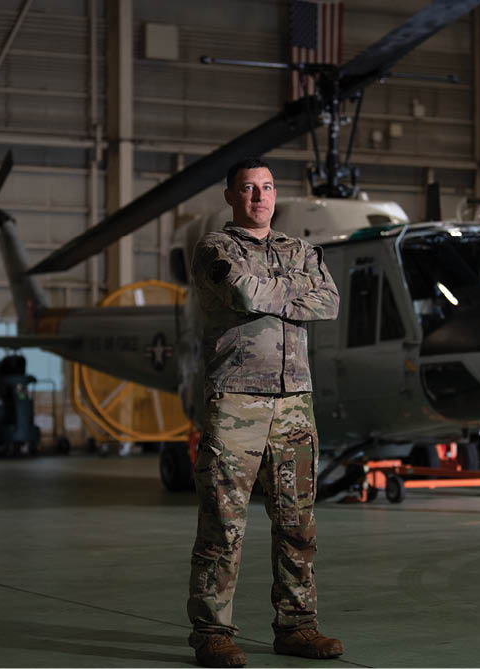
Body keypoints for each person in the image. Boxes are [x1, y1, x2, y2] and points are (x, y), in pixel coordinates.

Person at [186, 157, 342, 667]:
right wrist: (295, 291)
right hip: (235, 402)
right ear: (230, 196)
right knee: (224, 523)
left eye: (268, 187)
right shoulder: (215, 249)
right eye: (249, 188)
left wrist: (273, 294)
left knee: (298, 522)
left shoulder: (301, 248)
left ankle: (297, 626)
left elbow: (330, 303)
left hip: (295, 401)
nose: (260, 197)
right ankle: (212, 632)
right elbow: (243, 291)